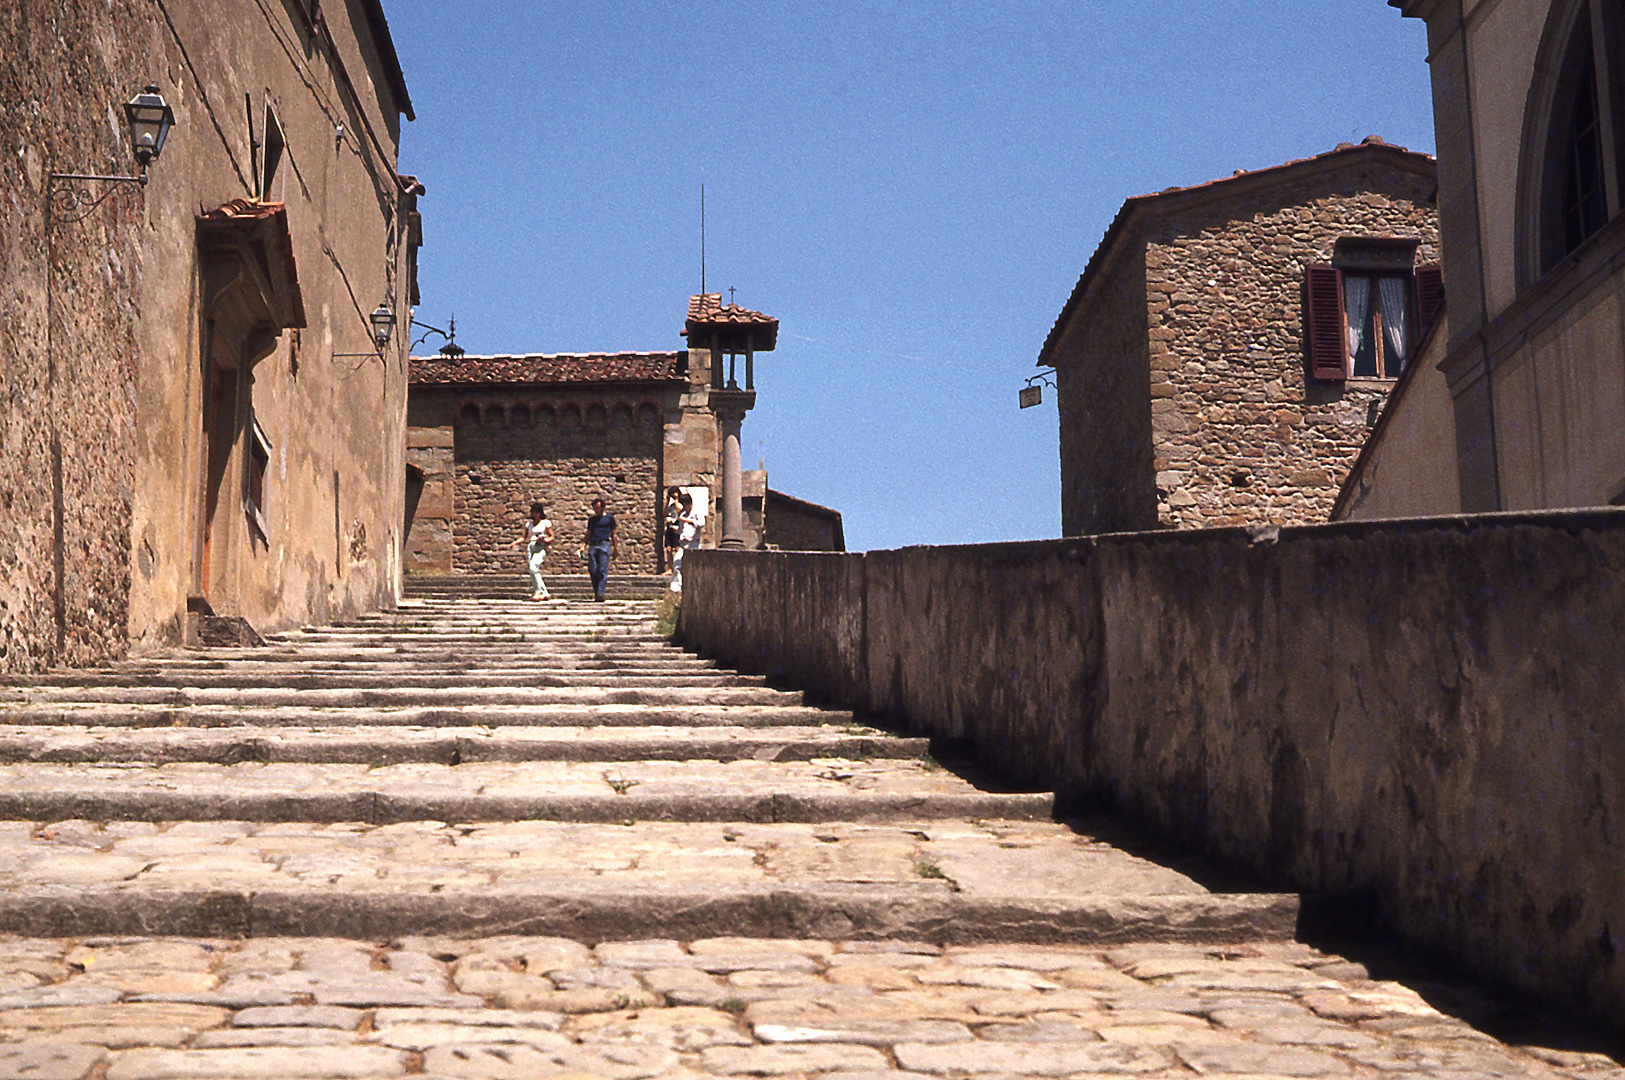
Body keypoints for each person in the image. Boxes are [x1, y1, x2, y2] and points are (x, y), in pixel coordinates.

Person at [508, 501, 555, 601]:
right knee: (533, 569)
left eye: (537, 512)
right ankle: (545, 592)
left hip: (541, 547)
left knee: (534, 567)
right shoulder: (528, 524)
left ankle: (538, 591)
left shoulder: (545, 523)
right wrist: (515, 542)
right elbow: (523, 537)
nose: (535, 514)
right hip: (531, 546)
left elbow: (552, 537)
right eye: (534, 512)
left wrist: (545, 540)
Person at [581, 498, 618, 602]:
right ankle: (597, 592)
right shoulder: (592, 520)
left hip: (604, 544)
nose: (596, 510)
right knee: (593, 570)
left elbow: (613, 534)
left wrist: (615, 548)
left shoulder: (609, 519)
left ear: (603, 508)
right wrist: (583, 545)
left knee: (602, 570)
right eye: (594, 508)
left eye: (597, 508)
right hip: (593, 545)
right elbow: (588, 534)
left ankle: (601, 593)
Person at [669, 491, 700, 593]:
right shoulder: (683, 514)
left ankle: (694, 587)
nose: (685, 507)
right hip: (683, 544)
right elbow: (682, 529)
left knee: (694, 566)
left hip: (693, 543)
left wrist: (687, 520)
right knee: (677, 564)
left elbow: (701, 524)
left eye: (686, 505)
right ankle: (677, 588)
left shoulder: (696, 512)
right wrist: (675, 527)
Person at [662, 486, 683, 573]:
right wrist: (666, 502)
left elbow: (680, 511)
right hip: (669, 527)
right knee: (668, 549)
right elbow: (664, 513)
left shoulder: (680, 504)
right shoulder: (670, 506)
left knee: (677, 548)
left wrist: (676, 500)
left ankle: (678, 567)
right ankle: (670, 568)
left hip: (677, 526)